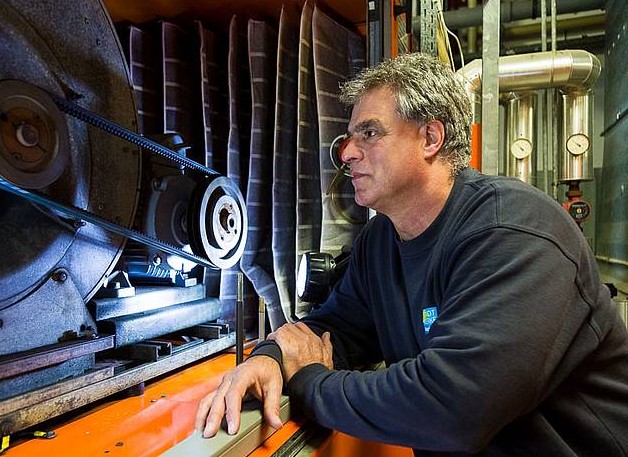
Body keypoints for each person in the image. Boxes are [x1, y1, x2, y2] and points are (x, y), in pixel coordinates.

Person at [194, 53, 628, 456]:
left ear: (431, 138)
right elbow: (335, 330)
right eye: (348, 138)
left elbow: (454, 408)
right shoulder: (380, 242)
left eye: (370, 132)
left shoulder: (514, 232)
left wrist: (310, 382)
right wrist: (271, 358)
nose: (346, 153)